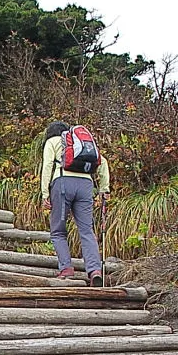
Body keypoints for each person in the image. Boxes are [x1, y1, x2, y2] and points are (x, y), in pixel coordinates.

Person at [41, 121, 110, 286]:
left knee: (58, 230)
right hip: (86, 186)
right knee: (86, 230)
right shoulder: (80, 143)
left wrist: (45, 194)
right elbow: (103, 163)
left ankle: (66, 269)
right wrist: (104, 189)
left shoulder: (53, 142)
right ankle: (94, 271)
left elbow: (47, 166)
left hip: (63, 182)